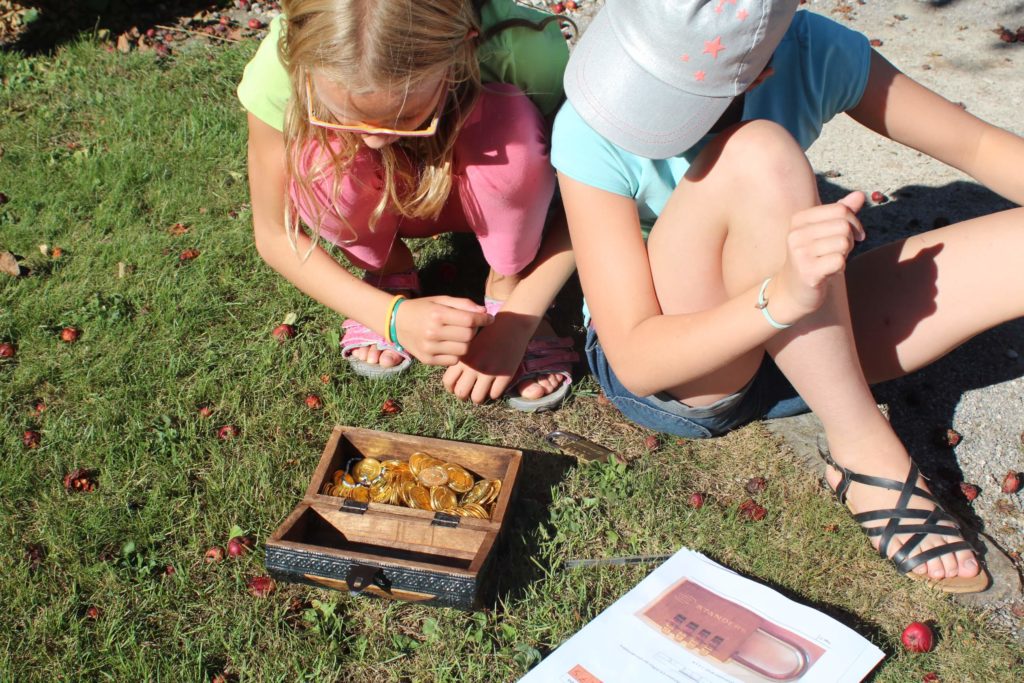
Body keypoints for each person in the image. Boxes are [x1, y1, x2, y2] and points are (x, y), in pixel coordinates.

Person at [553, 0, 1024, 593]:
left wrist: (793, 295)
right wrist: (780, 299)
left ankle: (823, 384)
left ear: (761, 71)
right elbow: (638, 362)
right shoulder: (586, 127)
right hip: (689, 370)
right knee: (760, 153)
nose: (631, 114)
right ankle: (861, 447)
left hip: (810, 348)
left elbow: (977, 146)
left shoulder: (808, 49)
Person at [238, 0, 578, 412]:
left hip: (477, 188)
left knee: (515, 134)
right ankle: (387, 270)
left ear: (461, 50)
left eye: (406, 116)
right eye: (342, 116)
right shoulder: (284, 60)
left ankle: (508, 281)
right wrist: (390, 316)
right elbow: (275, 233)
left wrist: (518, 317)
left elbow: (588, 204)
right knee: (321, 156)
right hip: (382, 200)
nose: (374, 143)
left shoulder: (524, 48)